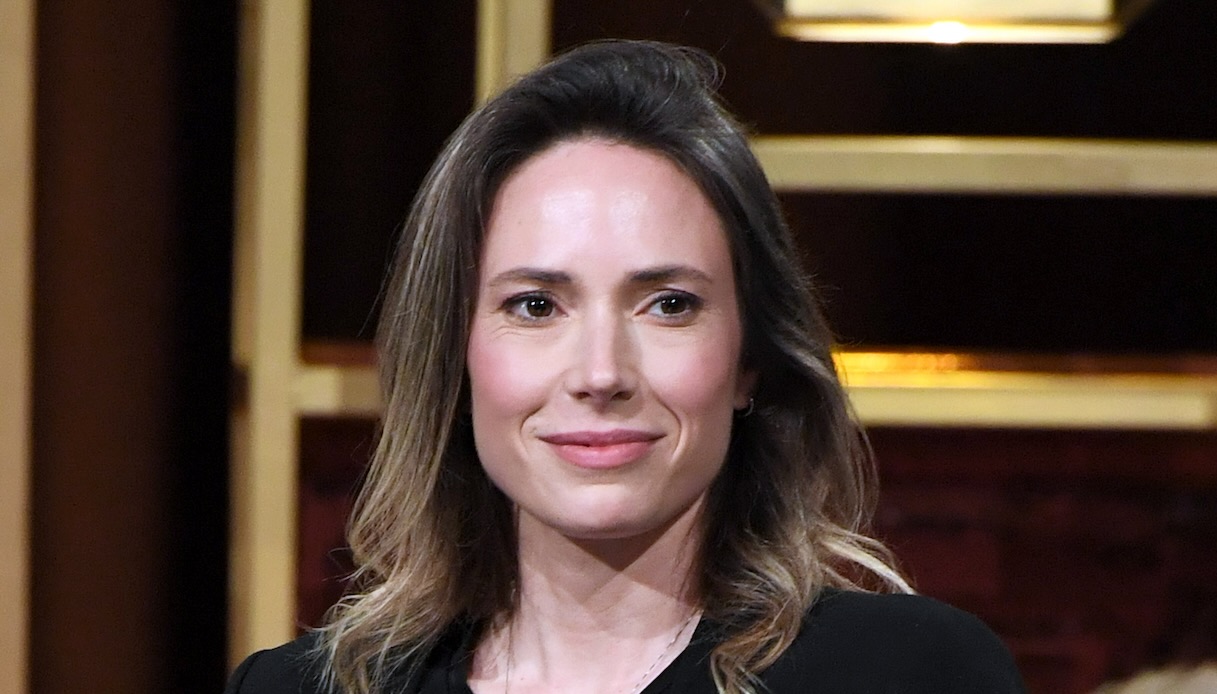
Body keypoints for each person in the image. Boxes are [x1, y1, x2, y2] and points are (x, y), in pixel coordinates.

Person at [225, 40, 1024, 694]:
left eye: (668, 304)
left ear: (748, 359)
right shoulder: (301, 689)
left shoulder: (910, 672)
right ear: (454, 358)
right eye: (535, 305)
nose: (601, 373)